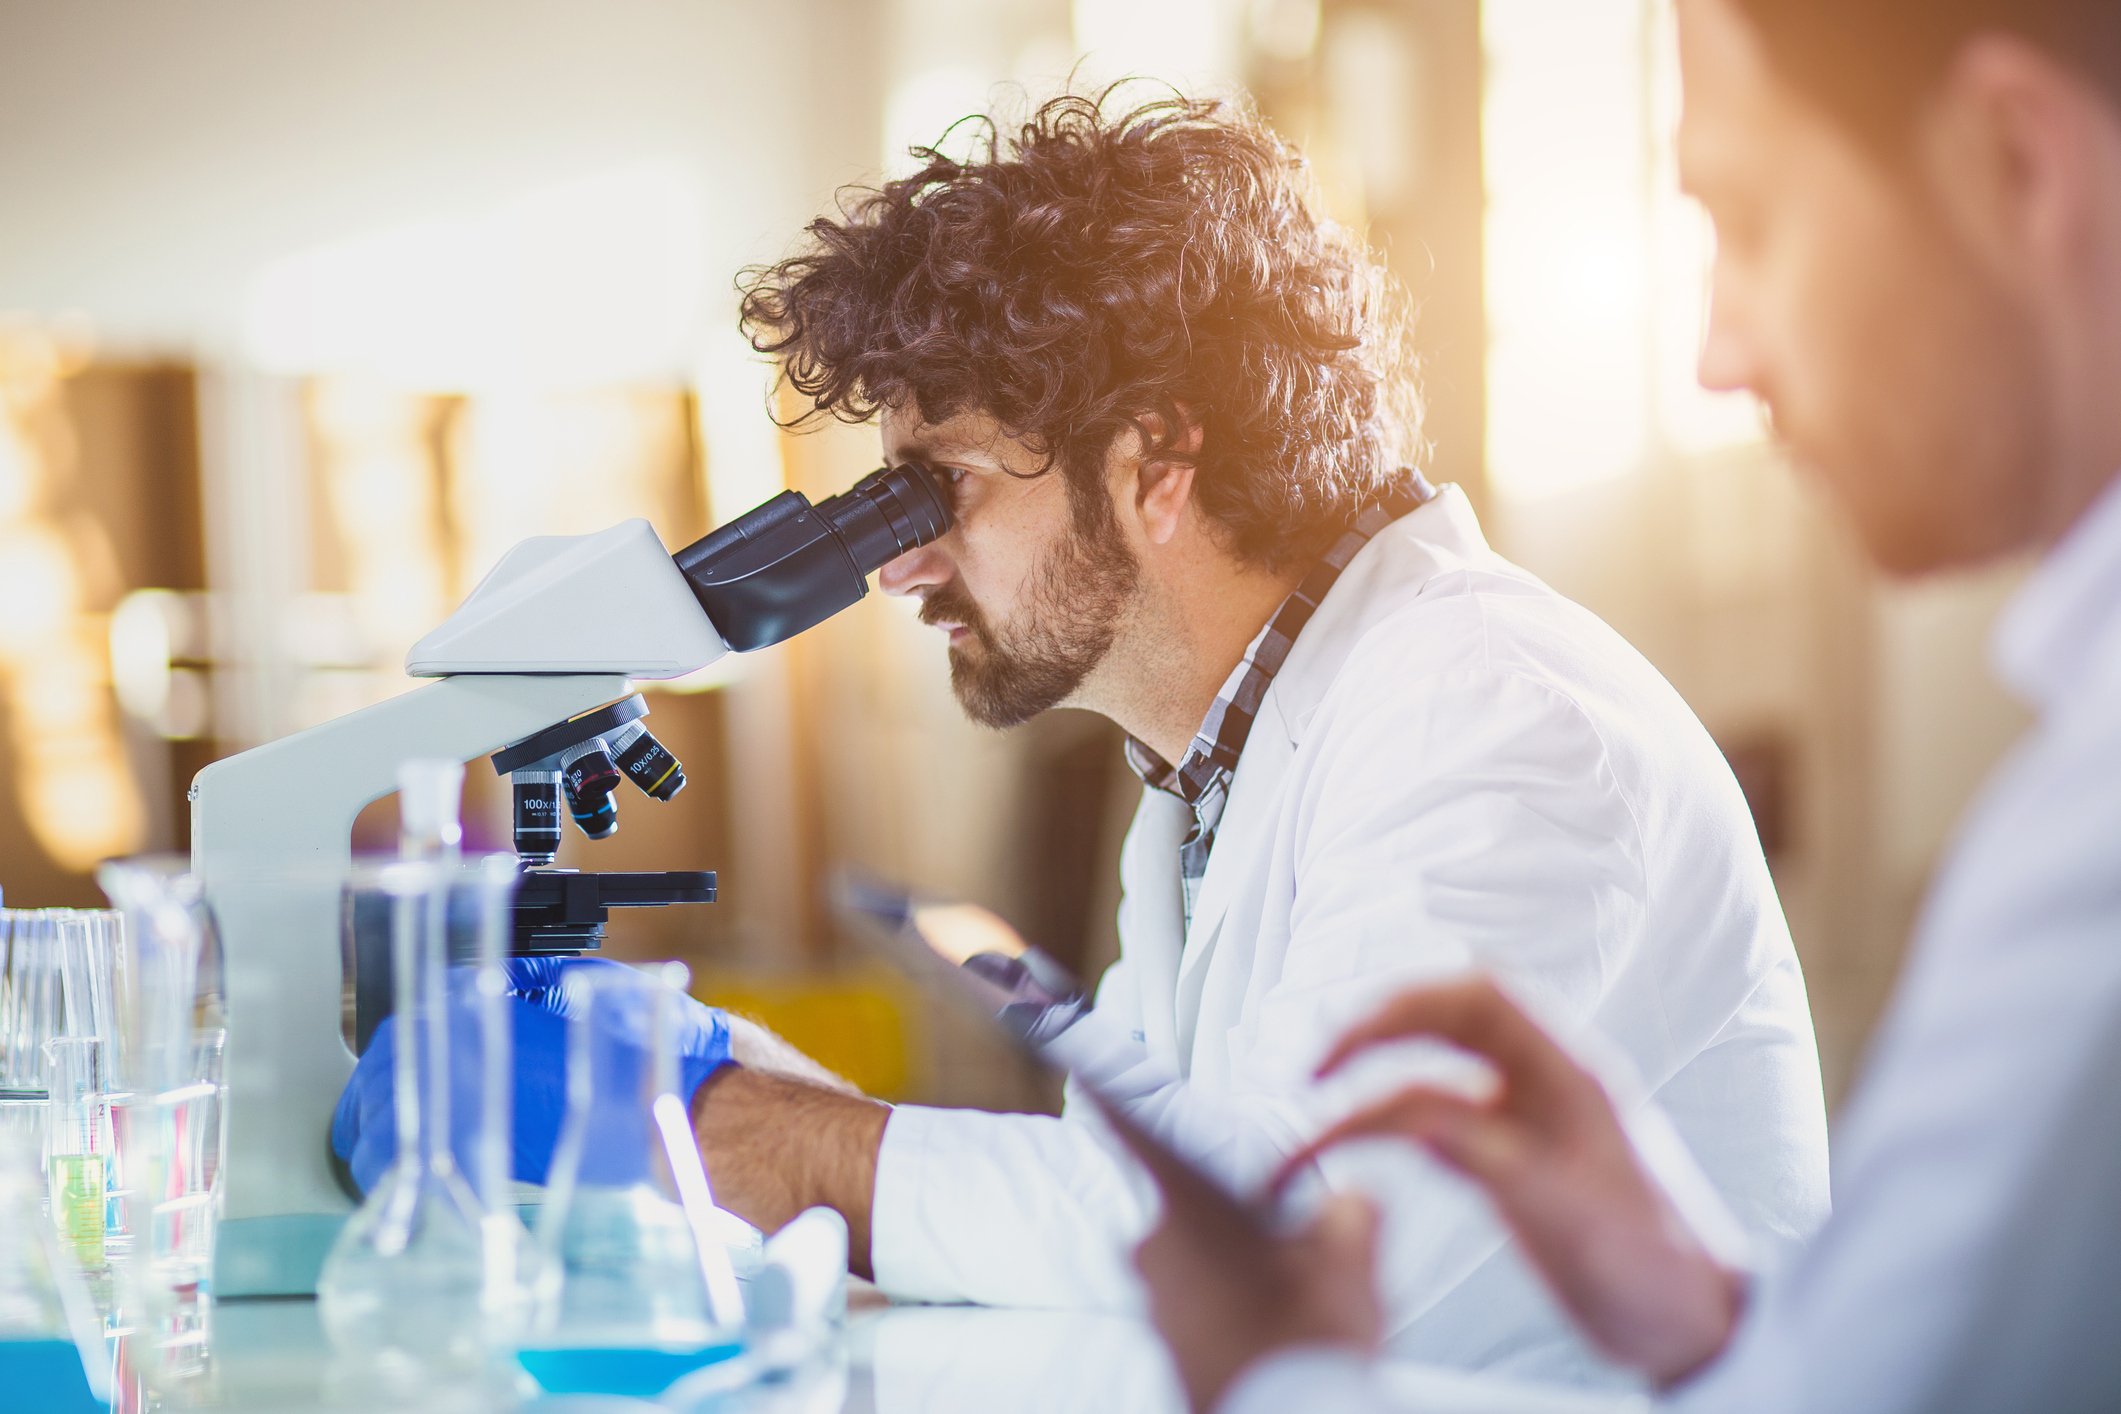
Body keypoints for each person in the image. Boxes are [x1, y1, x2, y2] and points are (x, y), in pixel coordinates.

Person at [336, 89, 1828, 1383]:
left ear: (1156, 457)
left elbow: (1290, 1233)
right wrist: (763, 1090)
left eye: (934, 494)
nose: (901, 568)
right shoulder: (1210, 768)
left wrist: (772, 1135)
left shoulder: (1495, 719)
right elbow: (1124, 1213)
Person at [1134, 1, 2121, 1410]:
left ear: (2017, 164)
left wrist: (1274, 1373)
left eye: (1748, 221)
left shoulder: (2089, 844)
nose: (1717, 353)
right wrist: (1697, 1308)